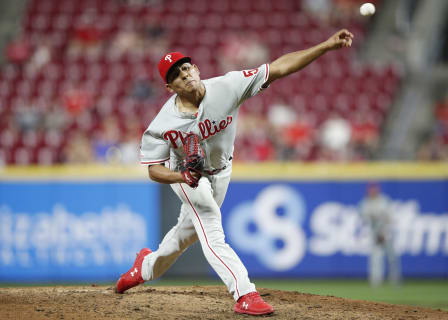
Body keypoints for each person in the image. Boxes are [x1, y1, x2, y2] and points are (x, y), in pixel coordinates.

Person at [115, 29, 354, 316]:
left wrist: (326, 45)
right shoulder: (162, 124)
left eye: (186, 67)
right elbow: (154, 170)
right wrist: (182, 177)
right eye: (176, 75)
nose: (185, 74)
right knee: (212, 230)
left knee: (186, 235)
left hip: (222, 171)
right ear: (171, 88)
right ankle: (244, 293)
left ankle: (146, 265)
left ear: (196, 68)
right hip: (188, 177)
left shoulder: (228, 86)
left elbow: (279, 67)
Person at [359, 182, 401, 287]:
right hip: (374, 233)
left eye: (374, 189)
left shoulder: (384, 201)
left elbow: (391, 218)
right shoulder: (365, 203)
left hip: (387, 232)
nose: (373, 191)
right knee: (375, 258)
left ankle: (395, 280)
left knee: (392, 257)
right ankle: (376, 281)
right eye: (371, 189)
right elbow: (364, 219)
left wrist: (384, 230)